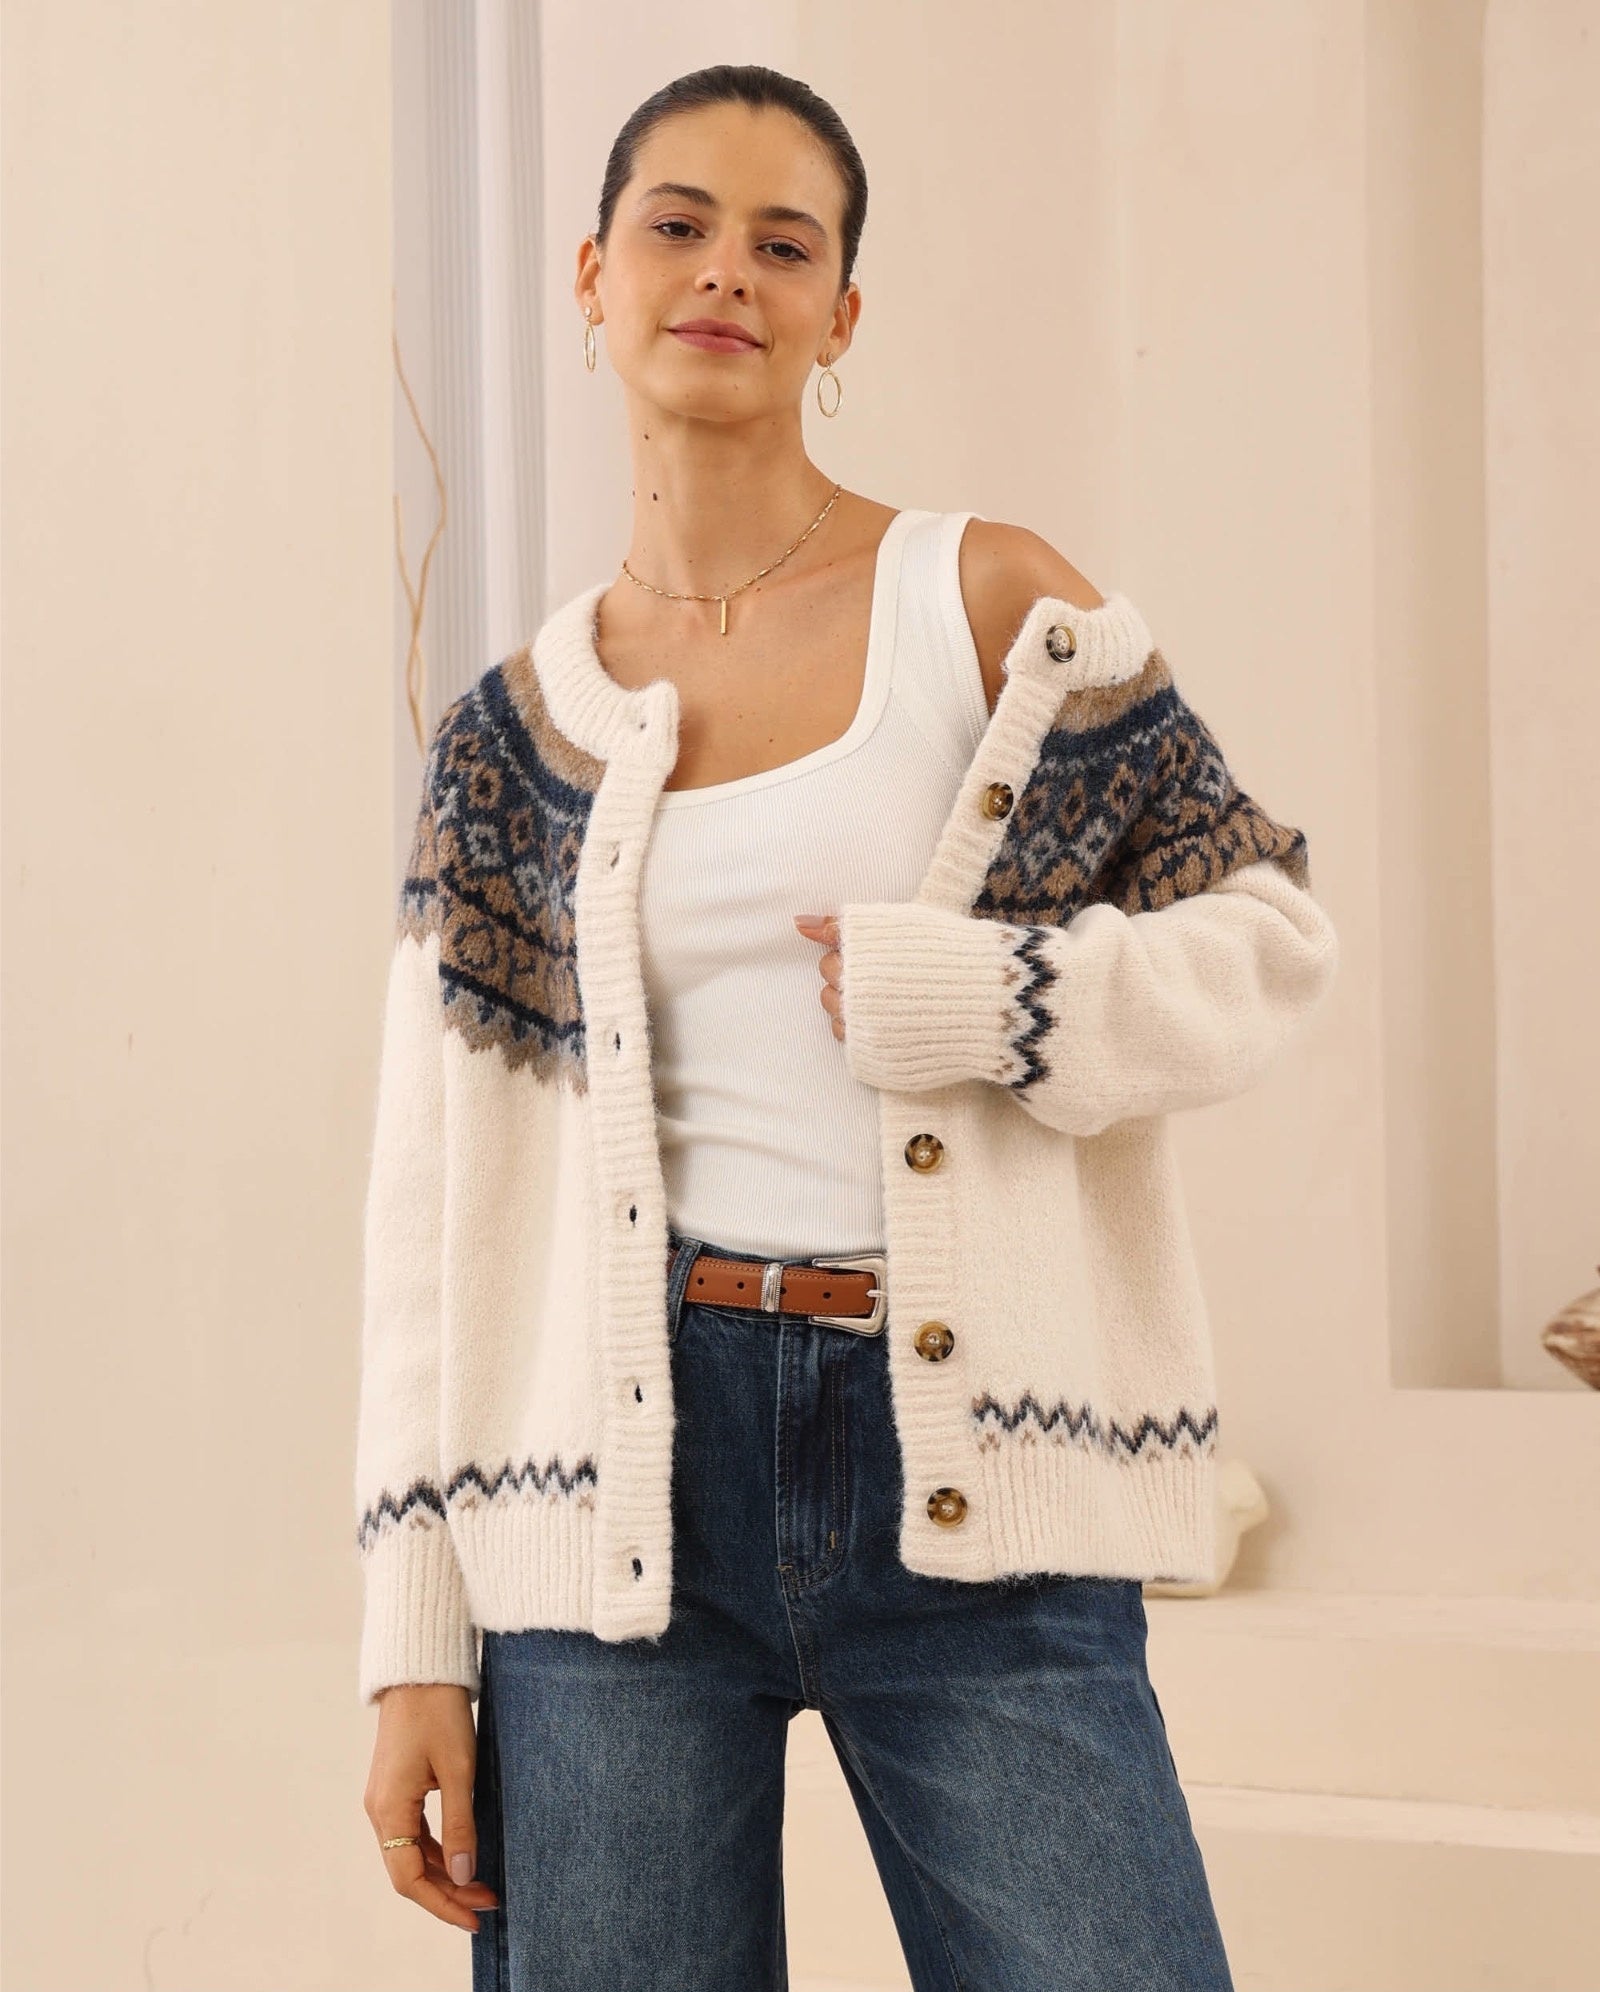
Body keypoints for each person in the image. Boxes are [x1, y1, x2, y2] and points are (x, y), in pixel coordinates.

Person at [357, 61, 1338, 1992]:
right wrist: (413, 1646)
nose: (726, 270)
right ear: (593, 275)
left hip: (971, 1475)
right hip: (611, 1504)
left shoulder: (990, 608)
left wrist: (989, 999)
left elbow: (1268, 940)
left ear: (841, 313)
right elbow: (428, 1211)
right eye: (678, 225)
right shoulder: (509, 738)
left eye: (784, 243)